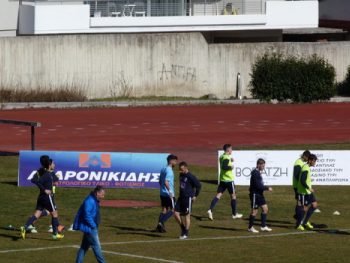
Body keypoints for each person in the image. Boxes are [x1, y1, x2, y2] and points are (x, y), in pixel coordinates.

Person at [20, 155, 64, 240]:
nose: (54, 165)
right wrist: (45, 190)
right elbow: (38, 181)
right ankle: (55, 234)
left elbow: (34, 180)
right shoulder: (48, 174)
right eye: (53, 163)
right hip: (47, 196)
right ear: (49, 164)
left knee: (38, 213)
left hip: (41, 197)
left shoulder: (43, 172)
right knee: (54, 214)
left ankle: (24, 227)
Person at [207, 144, 242, 220]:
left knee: (218, 195)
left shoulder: (222, 156)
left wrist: (230, 159)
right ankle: (234, 214)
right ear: (228, 150)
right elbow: (224, 166)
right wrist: (231, 167)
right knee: (233, 196)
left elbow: (225, 161)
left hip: (222, 180)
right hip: (229, 180)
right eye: (231, 149)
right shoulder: (226, 157)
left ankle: (210, 210)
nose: (232, 151)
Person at [74, 185, 106, 263]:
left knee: (84, 247)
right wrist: (93, 225)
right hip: (90, 228)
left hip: (90, 227)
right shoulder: (89, 201)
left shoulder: (94, 200)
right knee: (97, 248)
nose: (103, 196)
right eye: (102, 194)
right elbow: (86, 215)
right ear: (97, 193)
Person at [174, 161, 201, 239]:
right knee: (175, 213)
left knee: (187, 215)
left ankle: (185, 233)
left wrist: (195, 195)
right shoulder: (181, 175)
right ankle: (183, 228)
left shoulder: (190, 176)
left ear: (186, 168)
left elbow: (198, 185)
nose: (180, 171)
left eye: (182, 169)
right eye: (179, 169)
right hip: (181, 197)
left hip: (188, 198)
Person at [248, 158, 273, 233]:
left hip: (260, 194)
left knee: (265, 209)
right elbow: (258, 186)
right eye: (262, 166)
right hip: (255, 195)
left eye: (264, 166)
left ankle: (263, 226)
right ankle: (250, 227)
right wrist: (267, 188)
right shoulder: (255, 173)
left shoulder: (257, 172)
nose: (264, 167)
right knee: (254, 212)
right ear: (258, 165)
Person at [156, 154, 178, 233]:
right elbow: (166, 182)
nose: (176, 163)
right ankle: (161, 222)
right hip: (169, 194)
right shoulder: (169, 170)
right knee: (173, 209)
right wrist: (170, 191)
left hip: (162, 193)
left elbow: (160, 181)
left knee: (164, 210)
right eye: (175, 161)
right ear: (171, 161)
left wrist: (162, 189)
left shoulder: (163, 169)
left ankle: (159, 227)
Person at [296, 154, 318, 231]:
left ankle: (305, 222)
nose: (315, 163)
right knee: (304, 208)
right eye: (314, 161)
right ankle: (299, 225)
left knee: (314, 205)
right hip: (303, 192)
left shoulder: (307, 167)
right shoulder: (305, 168)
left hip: (308, 192)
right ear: (310, 160)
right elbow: (302, 181)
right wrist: (309, 188)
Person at [292, 150, 310, 219]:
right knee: (300, 202)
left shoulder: (301, 163)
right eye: (307, 158)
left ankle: (297, 216)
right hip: (297, 186)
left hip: (299, 186)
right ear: (304, 156)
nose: (308, 160)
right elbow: (296, 175)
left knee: (299, 201)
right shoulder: (298, 163)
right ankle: (298, 217)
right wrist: (302, 182)